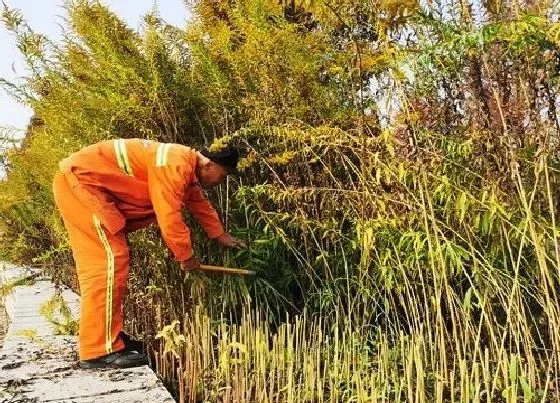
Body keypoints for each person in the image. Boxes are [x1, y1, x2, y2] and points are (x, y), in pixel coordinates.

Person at [52, 138, 246, 369]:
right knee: (106, 266)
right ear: (209, 165)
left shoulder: (185, 165)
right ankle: (97, 350)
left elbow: (199, 203)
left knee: (112, 264)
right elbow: (169, 218)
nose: (220, 182)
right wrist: (186, 257)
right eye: (223, 175)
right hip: (84, 189)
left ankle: (108, 337)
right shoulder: (174, 165)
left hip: (89, 189)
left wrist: (219, 235)